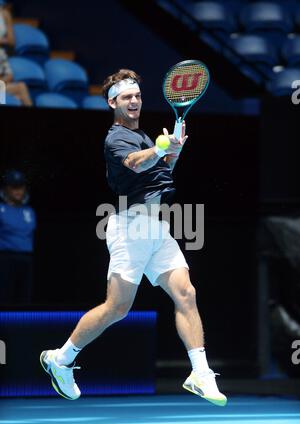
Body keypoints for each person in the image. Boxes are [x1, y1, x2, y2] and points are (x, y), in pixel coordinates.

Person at [40, 69, 227, 406]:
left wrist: (173, 151)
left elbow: (161, 171)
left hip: (157, 227)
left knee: (186, 293)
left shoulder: (142, 137)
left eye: (138, 96)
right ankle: (61, 359)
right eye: (127, 97)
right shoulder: (116, 138)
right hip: (130, 227)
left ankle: (200, 372)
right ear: (113, 102)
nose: (134, 101)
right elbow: (137, 165)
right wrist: (159, 148)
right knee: (117, 308)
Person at [0, 170, 36, 304]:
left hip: (26, 258)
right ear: (6, 189)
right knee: (4, 296)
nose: (18, 191)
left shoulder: (29, 211)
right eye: (14, 187)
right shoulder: (1, 209)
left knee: (24, 298)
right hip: (5, 258)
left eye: (20, 187)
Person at [0, 1, 33, 106]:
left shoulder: (1, 53)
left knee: (20, 92)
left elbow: (10, 75)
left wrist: (2, 82)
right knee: (17, 95)